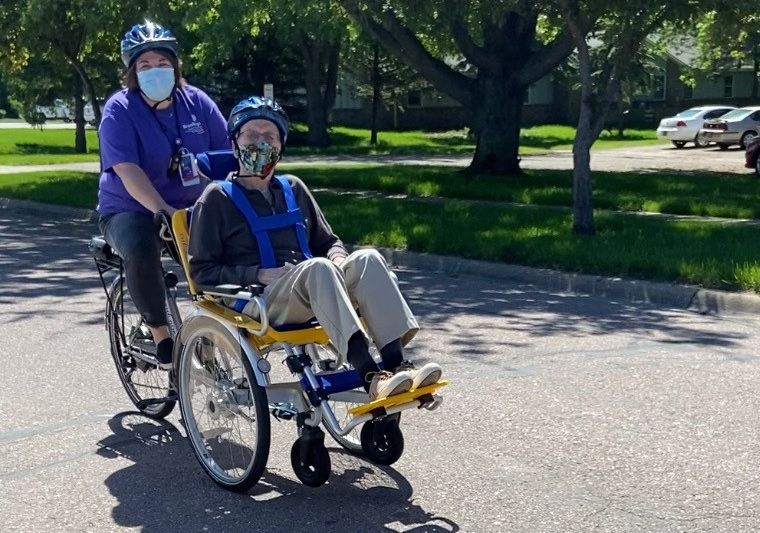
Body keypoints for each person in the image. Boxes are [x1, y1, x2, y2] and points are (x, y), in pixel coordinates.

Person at [187, 96, 442, 400]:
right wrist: (257, 273)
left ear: (280, 146)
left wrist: (337, 256)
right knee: (318, 268)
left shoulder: (293, 188)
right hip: (263, 298)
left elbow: (327, 242)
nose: (260, 144)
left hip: (316, 284)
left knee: (368, 259)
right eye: (251, 135)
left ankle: (398, 366)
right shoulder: (217, 198)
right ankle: (371, 376)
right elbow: (202, 272)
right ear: (234, 143)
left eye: (269, 136)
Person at [97, 21, 229, 368]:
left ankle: (214, 333)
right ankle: (161, 336)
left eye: (162, 63)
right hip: (131, 208)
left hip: (191, 205)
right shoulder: (119, 110)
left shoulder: (197, 103)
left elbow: (226, 153)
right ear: (132, 72)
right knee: (141, 247)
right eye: (144, 65)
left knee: (224, 252)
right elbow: (128, 171)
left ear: (175, 66)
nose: (155, 71)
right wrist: (163, 209)